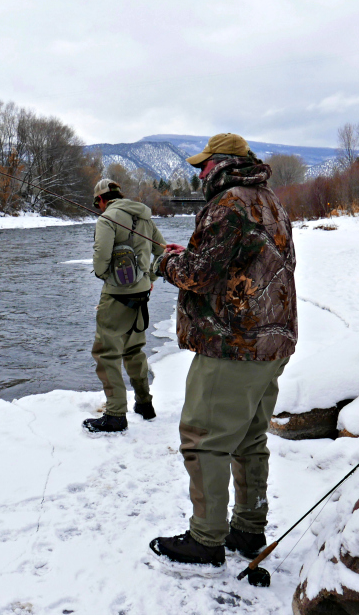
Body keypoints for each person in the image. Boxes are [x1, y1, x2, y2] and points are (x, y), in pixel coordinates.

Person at [147, 133, 298, 568]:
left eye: (204, 164)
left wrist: (166, 262)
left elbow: (198, 275)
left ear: (223, 163)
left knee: (204, 440)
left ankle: (206, 539)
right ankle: (249, 530)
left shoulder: (228, 204)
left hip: (233, 344)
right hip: (274, 341)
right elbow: (236, 261)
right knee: (249, 439)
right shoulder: (268, 199)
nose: (199, 172)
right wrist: (190, 253)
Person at [83, 178, 166, 433]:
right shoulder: (144, 217)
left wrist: (107, 276)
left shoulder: (106, 220)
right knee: (134, 349)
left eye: (97, 203)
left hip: (116, 296)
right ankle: (144, 404)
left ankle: (116, 415)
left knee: (107, 353)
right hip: (142, 294)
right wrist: (149, 279)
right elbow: (162, 250)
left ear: (101, 200)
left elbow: (99, 265)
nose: (98, 207)